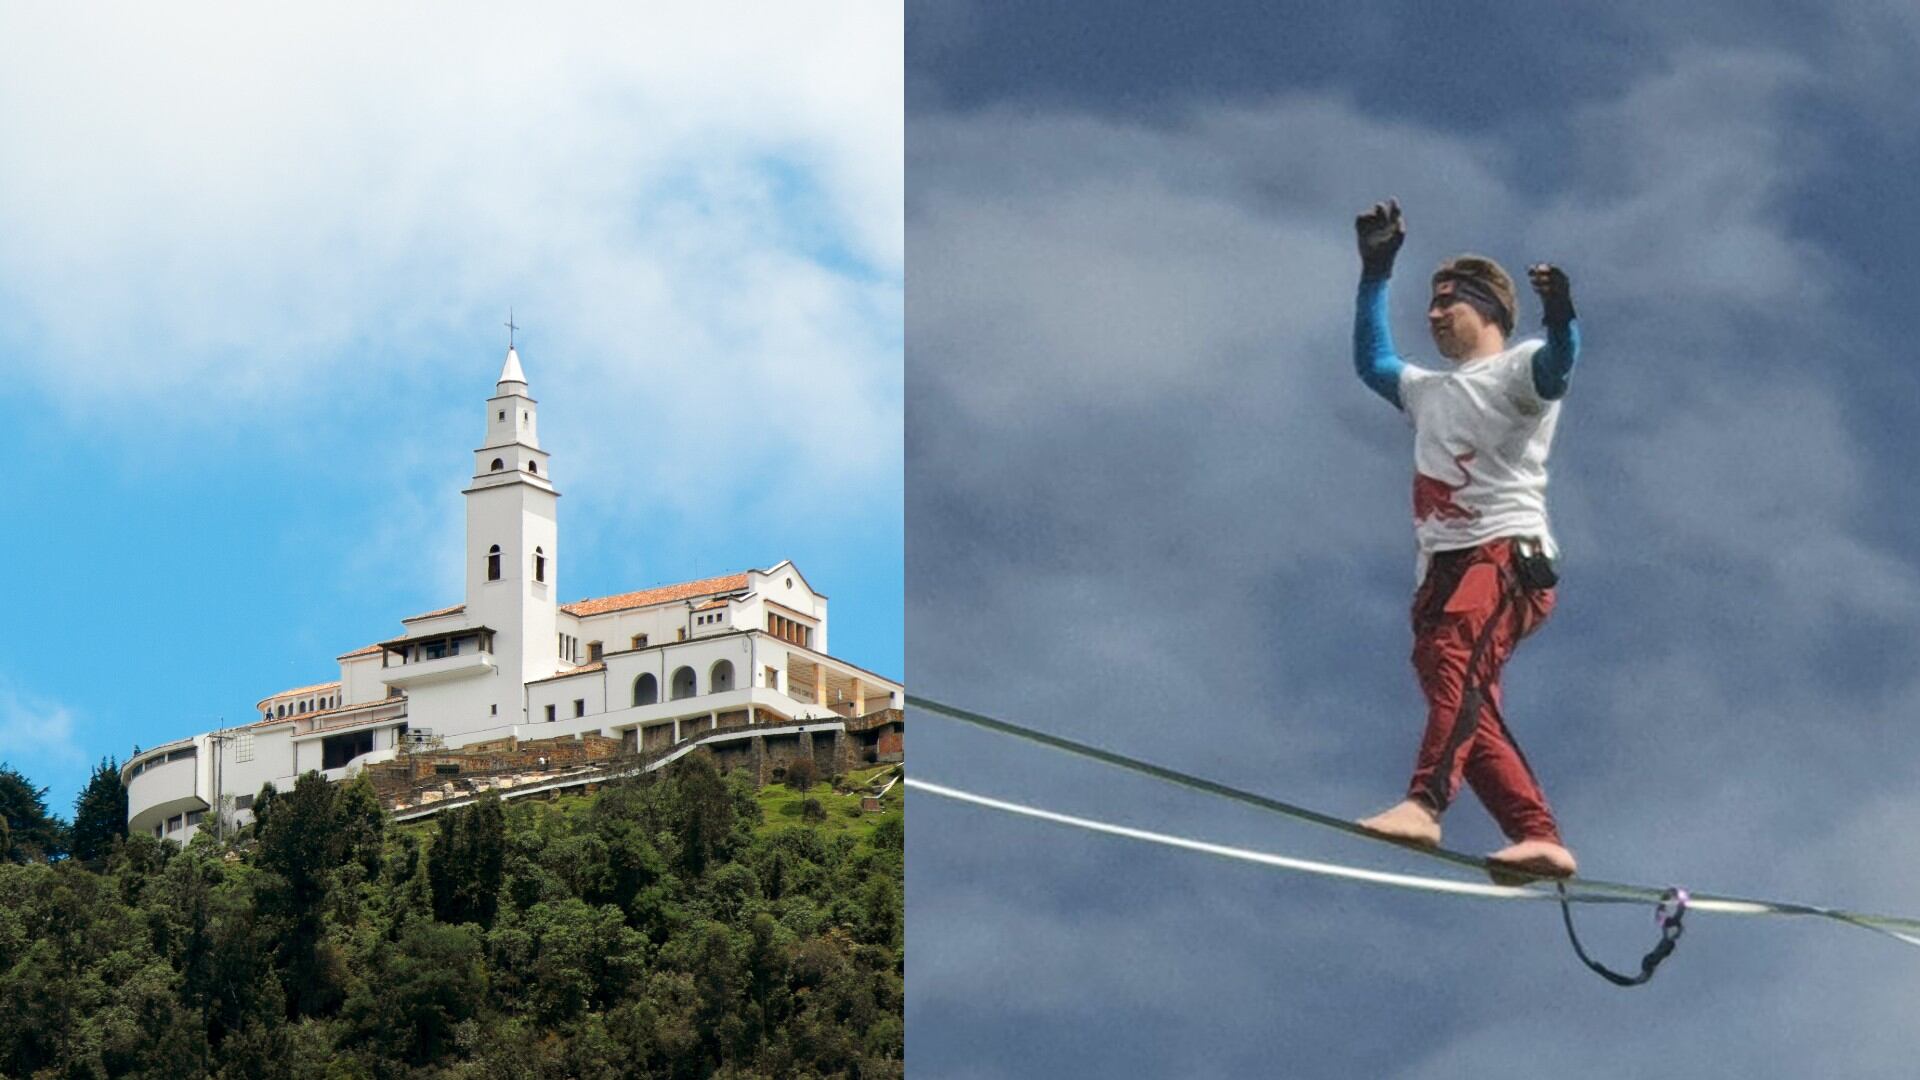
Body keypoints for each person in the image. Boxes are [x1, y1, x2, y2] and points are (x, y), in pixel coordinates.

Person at [1347, 198, 1582, 881]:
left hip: (1503, 555)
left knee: (1457, 669)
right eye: (1430, 302)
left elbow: (1560, 363)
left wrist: (1563, 313)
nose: (1434, 314)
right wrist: (1375, 271)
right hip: (1443, 570)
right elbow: (1372, 362)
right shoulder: (1428, 392)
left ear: (1489, 311)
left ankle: (1426, 803)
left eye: (1449, 301)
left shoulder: (1519, 372)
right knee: (1457, 693)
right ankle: (1538, 836)